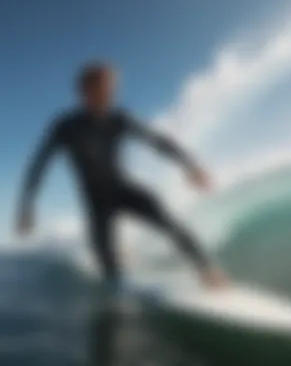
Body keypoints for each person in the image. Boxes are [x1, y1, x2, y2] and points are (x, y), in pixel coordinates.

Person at [15, 62, 227, 289]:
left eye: (112, 88)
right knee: (109, 270)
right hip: (96, 204)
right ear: (85, 91)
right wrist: (27, 205)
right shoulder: (65, 127)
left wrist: (189, 165)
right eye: (105, 89)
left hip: (122, 189)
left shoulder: (119, 119)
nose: (111, 94)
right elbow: (39, 164)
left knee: (166, 219)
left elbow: (156, 140)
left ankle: (207, 269)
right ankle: (117, 261)